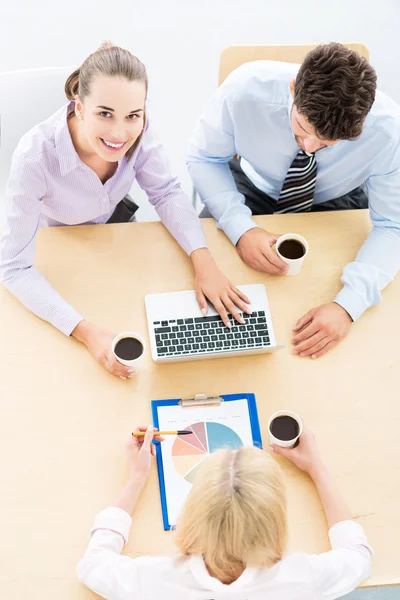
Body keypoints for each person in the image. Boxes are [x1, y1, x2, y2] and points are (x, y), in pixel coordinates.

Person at [0, 42, 250, 379]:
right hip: (62, 238)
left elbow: (166, 191)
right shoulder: (34, 158)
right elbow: (14, 268)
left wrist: (204, 261)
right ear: (79, 107)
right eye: (105, 113)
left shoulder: (140, 131)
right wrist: (87, 333)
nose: (121, 133)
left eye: (133, 115)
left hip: (115, 229)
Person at [187, 42, 400, 360]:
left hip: (337, 199)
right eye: (302, 130)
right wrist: (240, 227)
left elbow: (392, 225)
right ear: (292, 89)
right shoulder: (244, 90)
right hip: (250, 185)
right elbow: (203, 158)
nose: (311, 147)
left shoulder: (387, 132)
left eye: (328, 143)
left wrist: (348, 305)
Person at [77, 425, 372, 599]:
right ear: (274, 523)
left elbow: (93, 565)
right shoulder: (302, 577)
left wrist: (136, 479)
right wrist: (317, 469)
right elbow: (358, 556)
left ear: (191, 516)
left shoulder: (153, 581)